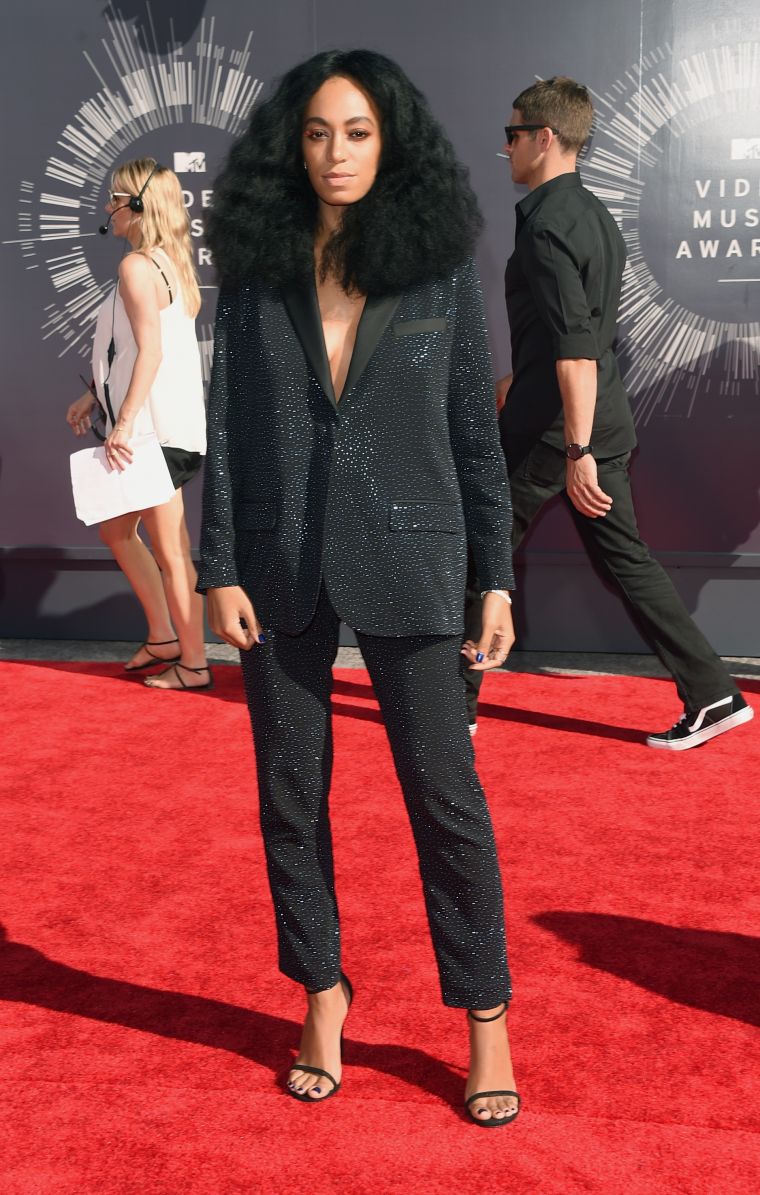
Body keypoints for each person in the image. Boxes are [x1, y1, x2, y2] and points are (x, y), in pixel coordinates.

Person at [199, 50, 520, 1126]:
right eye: (319, 133)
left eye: (358, 133)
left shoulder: (436, 272)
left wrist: (495, 577)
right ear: (294, 146)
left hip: (415, 559)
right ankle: (322, 993)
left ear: (394, 145)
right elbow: (232, 431)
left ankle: (484, 1019)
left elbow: (475, 435)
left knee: (447, 802)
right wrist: (217, 567)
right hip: (277, 560)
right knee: (291, 797)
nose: (336, 154)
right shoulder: (255, 272)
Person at [463, 77, 753, 751]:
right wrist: (524, 380)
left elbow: (575, 347)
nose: (504, 148)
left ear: (545, 137)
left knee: (480, 553)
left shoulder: (547, 228)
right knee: (627, 560)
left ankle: (454, 706)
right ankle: (714, 692)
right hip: (584, 418)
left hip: (555, 434)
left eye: (512, 134)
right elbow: (574, 334)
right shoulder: (591, 213)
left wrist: (577, 449)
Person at [66, 158, 211, 691]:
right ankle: (163, 637)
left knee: (171, 550)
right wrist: (92, 396)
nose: (108, 208)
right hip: (160, 428)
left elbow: (149, 353)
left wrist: (123, 424)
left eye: (114, 198)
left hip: (153, 433)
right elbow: (136, 351)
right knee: (117, 530)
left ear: (136, 206)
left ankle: (193, 664)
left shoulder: (137, 268)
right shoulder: (166, 263)